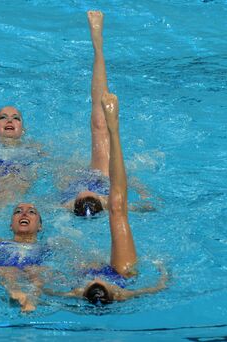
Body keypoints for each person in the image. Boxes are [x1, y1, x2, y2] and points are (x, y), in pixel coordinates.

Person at [49, 91, 167, 304]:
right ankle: (115, 131)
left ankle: (113, 130)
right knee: (117, 207)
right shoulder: (122, 279)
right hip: (119, 278)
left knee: (67, 244)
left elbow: (43, 289)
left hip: (85, 283)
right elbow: (157, 287)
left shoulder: (75, 284)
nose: (95, 278)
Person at [60, 11, 153, 217]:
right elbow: (149, 207)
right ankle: (98, 46)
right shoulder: (109, 200)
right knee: (101, 123)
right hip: (103, 182)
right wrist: (142, 192)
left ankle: (98, 45)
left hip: (70, 187)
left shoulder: (63, 205)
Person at [0, 203, 50, 312]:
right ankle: (15, 292)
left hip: (34, 270)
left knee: (39, 271)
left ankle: (33, 299)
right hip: (5, 272)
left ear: (40, 226)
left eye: (31, 212)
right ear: (11, 225)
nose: (24, 214)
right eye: (18, 211)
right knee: (8, 270)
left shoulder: (46, 247)